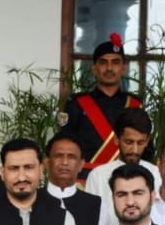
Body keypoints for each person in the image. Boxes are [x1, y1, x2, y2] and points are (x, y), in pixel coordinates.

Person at [60, 33, 143, 176]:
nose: (109, 68)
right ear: (94, 68)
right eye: (103, 62)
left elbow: (145, 148)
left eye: (115, 62)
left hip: (125, 178)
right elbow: (65, 145)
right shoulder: (77, 103)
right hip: (86, 179)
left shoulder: (135, 104)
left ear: (124, 68)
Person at [84, 108, 161, 225]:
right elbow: (90, 220)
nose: (134, 150)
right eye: (129, 142)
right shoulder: (98, 176)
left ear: (147, 141)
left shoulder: (157, 174)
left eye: (140, 143)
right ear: (116, 139)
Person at [43, 131, 104, 225]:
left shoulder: (98, 205)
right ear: (47, 162)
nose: (65, 162)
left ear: (81, 164)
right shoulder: (31, 201)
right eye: (59, 156)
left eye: (71, 157)